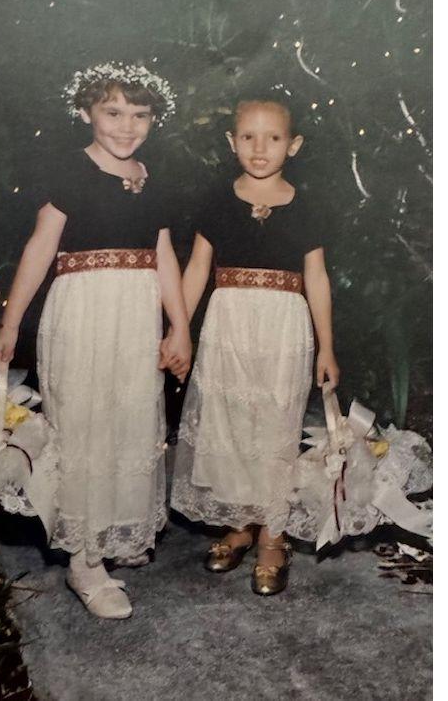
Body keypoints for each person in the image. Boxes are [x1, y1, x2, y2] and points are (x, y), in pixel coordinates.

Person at [0, 62, 191, 619]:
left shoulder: (151, 177)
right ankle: (83, 560)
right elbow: (40, 248)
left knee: (130, 423)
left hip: (136, 317)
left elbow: (164, 255)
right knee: (84, 427)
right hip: (83, 315)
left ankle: (113, 530)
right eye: (113, 112)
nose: (127, 126)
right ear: (85, 113)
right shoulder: (70, 172)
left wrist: (179, 326)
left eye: (140, 115)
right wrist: (11, 322)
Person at [170, 98, 340, 595]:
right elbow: (197, 268)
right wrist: (178, 329)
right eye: (248, 136)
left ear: (294, 145)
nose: (260, 148)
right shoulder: (216, 201)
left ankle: (273, 534)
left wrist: (327, 346)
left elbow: (317, 277)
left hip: (284, 328)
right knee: (229, 422)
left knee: (275, 424)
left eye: (273, 138)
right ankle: (240, 525)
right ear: (232, 142)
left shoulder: (306, 204)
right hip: (228, 324)